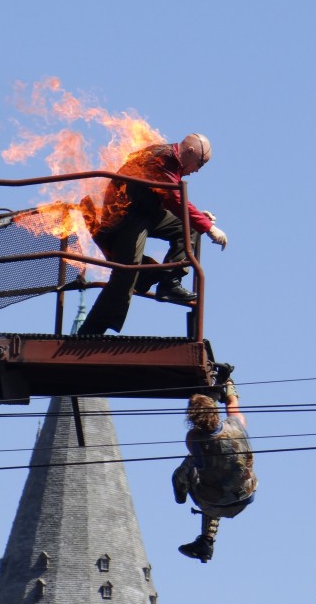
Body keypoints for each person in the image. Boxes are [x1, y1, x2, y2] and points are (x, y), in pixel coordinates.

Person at [76, 133, 227, 336]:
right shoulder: (162, 158)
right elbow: (175, 199)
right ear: (190, 152)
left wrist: (199, 218)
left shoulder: (172, 162)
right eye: (200, 164)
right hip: (127, 215)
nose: (197, 171)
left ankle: (169, 284)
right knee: (126, 272)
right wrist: (209, 227)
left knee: (189, 228)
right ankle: (90, 333)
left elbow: (165, 197)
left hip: (148, 212)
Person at [172, 377, 257, 563]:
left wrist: (181, 495)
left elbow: (198, 441)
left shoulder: (194, 439)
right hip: (245, 495)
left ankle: (181, 496)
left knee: (187, 469)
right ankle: (206, 541)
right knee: (218, 475)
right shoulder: (237, 424)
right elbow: (233, 403)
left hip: (214, 502)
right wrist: (228, 385)